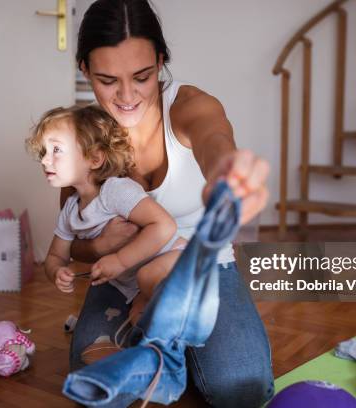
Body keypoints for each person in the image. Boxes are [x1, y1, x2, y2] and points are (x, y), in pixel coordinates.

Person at [67, 0, 274, 406]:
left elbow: (215, 141)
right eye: (108, 80)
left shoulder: (191, 106)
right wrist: (101, 246)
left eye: (141, 77)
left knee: (241, 387)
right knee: (100, 389)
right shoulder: (79, 139)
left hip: (198, 268)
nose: (127, 96)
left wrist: (228, 175)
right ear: (85, 70)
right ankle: (169, 345)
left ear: (161, 62)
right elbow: (73, 243)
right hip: (124, 277)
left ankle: (178, 345)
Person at [26, 105, 187, 328]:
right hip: (134, 285)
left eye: (56, 150)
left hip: (176, 259)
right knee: (139, 321)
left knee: (148, 277)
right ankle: (171, 354)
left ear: (94, 158)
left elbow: (164, 225)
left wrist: (120, 260)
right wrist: (57, 272)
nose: (44, 160)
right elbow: (55, 255)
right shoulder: (70, 210)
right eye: (44, 152)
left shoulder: (115, 190)